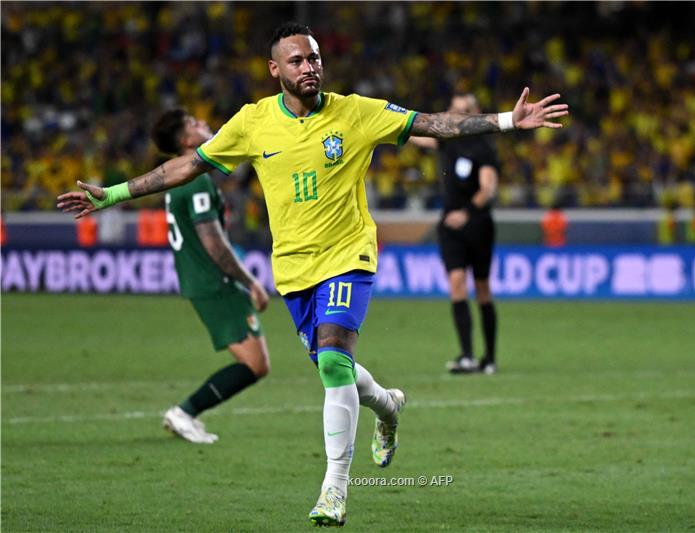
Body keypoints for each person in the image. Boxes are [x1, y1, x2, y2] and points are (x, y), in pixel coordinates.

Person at [57, 22, 569, 527]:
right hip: (294, 269)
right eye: (297, 60)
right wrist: (115, 194)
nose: (309, 67)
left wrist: (508, 120)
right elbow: (188, 166)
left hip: (349, 255)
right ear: (274, 69)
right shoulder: (253, 122)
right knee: (336, 369)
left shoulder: (356, 112)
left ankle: (334, 490)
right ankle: (388, 407)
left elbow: (433, 123)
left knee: (332, 361)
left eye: (315, 58)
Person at [148, 109, 271, 444]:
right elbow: (214, 243)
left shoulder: (179, 178)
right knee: (255, 364)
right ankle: (184, 412)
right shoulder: (196, 180)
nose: (204, 124)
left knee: (257, 363)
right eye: (194, 123)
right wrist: (251, 282)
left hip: (202, 280)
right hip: (214, 282)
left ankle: (186, 413)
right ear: (186, 140)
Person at [409, 93, 500, 375]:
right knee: (457, 284)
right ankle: (467, 356)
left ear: (476, 112)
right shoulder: (446, 140)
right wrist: (390, 124)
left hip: (478, 224)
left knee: (482, 289)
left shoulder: (484, 148)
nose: (457, 114)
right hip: (450, 226)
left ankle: (489, 358)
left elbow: (488, 188)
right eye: (454, 109)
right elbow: (413, 134)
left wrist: (467, 212)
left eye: (464, 109)